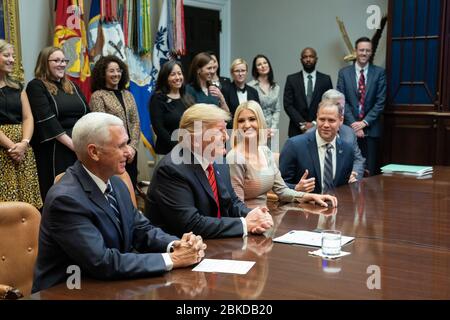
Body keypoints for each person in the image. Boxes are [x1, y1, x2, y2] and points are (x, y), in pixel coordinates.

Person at [32, 112, 207, 293]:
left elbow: (141, 230)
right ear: (94, 152)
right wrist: (174, 259)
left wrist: (177, 245)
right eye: (121, 145)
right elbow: (102, 261)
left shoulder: (116, 182)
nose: (129, 151)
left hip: (111, 286)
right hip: (69, 292)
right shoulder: (66, 199)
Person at [145, 104, 274, 239]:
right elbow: (191, 224)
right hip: (182, 251)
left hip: (216, 246)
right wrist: (244, 224)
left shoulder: (219, 162)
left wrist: (254, 215)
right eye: (220, 131)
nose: (227, 137)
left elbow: (232, 203)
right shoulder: (172, 170)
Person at [227, 100, 337, 208]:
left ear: (260, 121)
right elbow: (237, 206)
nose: (247, 125)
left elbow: (282, 191)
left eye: (252, 119)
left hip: (267, 217)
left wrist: (311, 196)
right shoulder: (235, 158)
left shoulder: (265, 151)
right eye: (241, 121)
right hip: (251, 221)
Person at [26, 46, 89, 201]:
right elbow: (47, 121)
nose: (62, 64)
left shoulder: (72, 85)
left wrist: (85, 143)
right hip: (56, 146)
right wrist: (74, 146)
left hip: (80, 142)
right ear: (44, 63)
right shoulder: (36, 86)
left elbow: (87, 113)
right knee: (64, 192)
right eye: (56, 60)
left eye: (64, 60)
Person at [0, 40, 42, 208]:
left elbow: (27, 118)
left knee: (27, 202)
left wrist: (24, 143)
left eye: (13, 56)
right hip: (5, 151)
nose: (11, 60)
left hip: (22, 151)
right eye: (6, 55)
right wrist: (12, 147)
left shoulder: (17, 87)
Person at [280, 101, 354, 194]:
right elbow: (278, 186)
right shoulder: (294, 145)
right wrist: (296, 188)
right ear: (317, 118)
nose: (326, 125)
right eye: (322, 119)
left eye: (331, 120)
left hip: (336, 206)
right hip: (303, 206)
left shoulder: (347, 150)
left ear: (341, 120)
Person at [337, 37, 387, 175]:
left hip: (371, 130)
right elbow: (341, 100)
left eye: (367, 50)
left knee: (369, 172)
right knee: (347, 170)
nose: (364, 53)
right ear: (355, 51)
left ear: (371, 53)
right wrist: (354, 124)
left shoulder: (379, 73)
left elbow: (380, 102)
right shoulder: (344, 73)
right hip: (348, 129)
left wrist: (364, 123)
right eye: (361, 50)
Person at [90, 55, 140, 187]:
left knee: (131, 186)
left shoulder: (128, 95)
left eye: (118, 70)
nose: (116, 74)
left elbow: (135, 122)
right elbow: (101, 128)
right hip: (112, 153)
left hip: (131, 153)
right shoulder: (98, 96)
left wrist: (132, 147)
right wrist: (120, 149)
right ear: (103, 74)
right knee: (116, 188)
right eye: (111, 71)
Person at [284, 47, 333, 137]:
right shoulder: (291, 79)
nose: (308, 59)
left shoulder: (325, 79)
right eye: (305, 57)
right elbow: (288, 105)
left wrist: (315, 123)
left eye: (311, 56)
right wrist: (302, 123)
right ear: (301, 60)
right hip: (296, 129)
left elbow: (328, 104)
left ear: (316, 59)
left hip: (320, 127)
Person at [149, 60, 194, 156]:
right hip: (167, 152)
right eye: (173, 74)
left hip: (189, 151)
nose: (177, 78)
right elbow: (159, 128)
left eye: (179, 73)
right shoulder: (158, 99)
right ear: (165, 78)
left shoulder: (188, 97)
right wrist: (178, 146)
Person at [248, 54, 281, 132]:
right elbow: (250, 111)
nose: (263, 66)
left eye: (265, 63)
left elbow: (277, 110)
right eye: (259, 64)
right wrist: (262, 129)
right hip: (256, 128)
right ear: (256, 69)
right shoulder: (250, 86)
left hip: (272, 129)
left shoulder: (276, 87)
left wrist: (273, 127)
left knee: (273, 144)